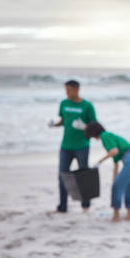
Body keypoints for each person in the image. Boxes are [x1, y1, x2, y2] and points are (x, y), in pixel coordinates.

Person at [48, 79, 97, 213]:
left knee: (83, 176)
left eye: (69, 90)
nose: (67, 93)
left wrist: (84, 126)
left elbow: (94, 127)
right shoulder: (64, 103)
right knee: (62, 176)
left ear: (77, 89)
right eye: (66, 90)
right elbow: (63, 121)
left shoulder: (87, 106)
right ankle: (62, 207)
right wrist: (54, 125)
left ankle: (85, 205)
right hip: (66, 146)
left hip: (82, 146)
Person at [84, 122, 130, 222]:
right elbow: (116, 164)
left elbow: (114, 151)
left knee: (117, 187)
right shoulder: (110, 136)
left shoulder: (105, 135)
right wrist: (115, 179)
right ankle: (128, 215)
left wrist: (99, 162)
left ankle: (116, 215)